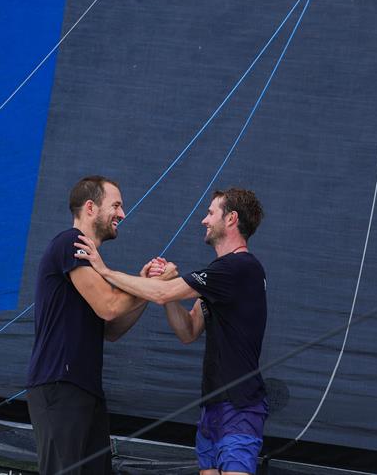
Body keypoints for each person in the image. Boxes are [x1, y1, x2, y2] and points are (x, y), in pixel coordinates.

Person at [74, 188, 267, 475]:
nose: (204, 220)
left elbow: (162, 293)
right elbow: (188, 331)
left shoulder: (239, 267)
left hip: (239, 405)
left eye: (211, 212)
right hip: (213, 406)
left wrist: (105, 271)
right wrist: (173, 283)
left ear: (231, 219)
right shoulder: (221, 276)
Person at [26, 175, 172, 475]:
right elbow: (109, 307)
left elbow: (113, 329)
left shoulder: (91, 261)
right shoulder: (71, 242)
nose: (122, 214)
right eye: (116, 205)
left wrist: (145, 291)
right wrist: (150, 286)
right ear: (90, 207)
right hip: (60, 384)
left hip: (85, 389)